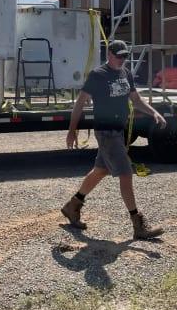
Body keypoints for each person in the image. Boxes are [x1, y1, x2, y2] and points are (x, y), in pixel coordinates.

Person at [61, 40, 167, 240]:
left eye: (124, 56)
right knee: (126, 173)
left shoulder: (125, 73)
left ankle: (72, 206)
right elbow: (80, 103)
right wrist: (72, 130)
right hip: (106, 132)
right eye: (118, 55)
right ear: (109, 54)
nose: (121, 59)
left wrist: (153, 112)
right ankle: (138, 224)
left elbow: (135, 99)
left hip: (118, 131)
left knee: (100, 171)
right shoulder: (98, 75)